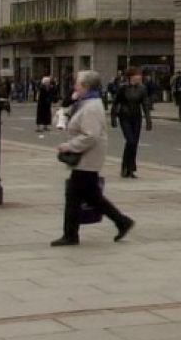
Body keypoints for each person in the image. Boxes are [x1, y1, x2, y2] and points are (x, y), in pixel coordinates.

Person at [50, 70, 135, 246]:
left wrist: (69, 146)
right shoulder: (84, 103)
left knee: (75, 195)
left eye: (78, 84)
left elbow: (91, 136)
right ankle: (121, 221)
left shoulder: (91, 107)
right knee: (91, 196)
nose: (75, 87)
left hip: (87, 158)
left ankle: (71, 235)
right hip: (86, 159)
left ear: (87, 87)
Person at [110, 66, 152, 179]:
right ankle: (125, 167)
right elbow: (115, 103)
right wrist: (113, 117)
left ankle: (130, 168)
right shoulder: (123, 88)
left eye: (139, 75)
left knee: (134, 144)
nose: (139, 77)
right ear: (130, 77)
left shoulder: (142, 88)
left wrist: (148, 120)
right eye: (136, 75)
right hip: (125, 117)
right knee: (130, 141)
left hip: (136, 117)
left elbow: (145, 104)